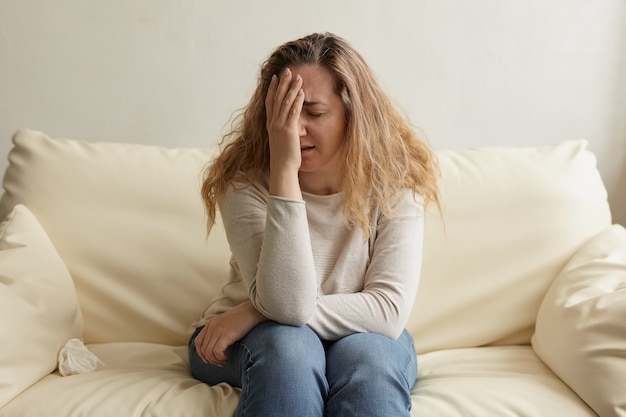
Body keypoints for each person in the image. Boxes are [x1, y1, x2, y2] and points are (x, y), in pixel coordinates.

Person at [188, 32, 440, 417]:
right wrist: (284, 170)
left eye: (314, 113)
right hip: (250, 343)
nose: (296, 128)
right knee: (292, 349)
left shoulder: (397, 184)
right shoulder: (244, 185)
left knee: (370, 357)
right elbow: (287, 308)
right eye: (284, 113)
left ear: (352, 112)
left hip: (348, 336)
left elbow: (387, 310)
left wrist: (253, 310)